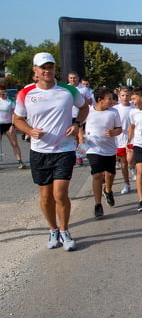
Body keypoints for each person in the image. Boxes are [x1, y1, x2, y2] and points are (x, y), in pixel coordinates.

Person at [13, 52, 88, 251]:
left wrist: (77, 124)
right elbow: (17, 119)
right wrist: (29, 130)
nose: (47, 71)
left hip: (64, 149)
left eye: (50, 67)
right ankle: (53, 229)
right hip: (39, 151)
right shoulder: (26, 93)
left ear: (55, 69)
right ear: (35, 71)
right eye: (43, 67)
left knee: (60, 194)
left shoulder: (68, 91)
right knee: (46, 197)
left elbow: (84, 108)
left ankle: (65, 230)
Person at [84, 87, 122, 218]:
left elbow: (119, 129)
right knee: (97, 175)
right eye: (109, 99)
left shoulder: (114, 112)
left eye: (112, 99)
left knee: (110, 174)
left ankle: (108, 190)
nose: (112, 101)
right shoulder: (88, 111)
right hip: (92, 148)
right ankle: (98, 204)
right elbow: (79, 125)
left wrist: (113, 133)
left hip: (109, 149)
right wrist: (79, 136)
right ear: (100, 100)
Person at [68, 72, 93, 166]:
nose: (72, 80)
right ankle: (71, 156)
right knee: (70, 137)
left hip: (80, 115)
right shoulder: (65, 88)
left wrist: (80, 101)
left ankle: (80, 157)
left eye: (74, 78)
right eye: (70, 78)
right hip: (68, 115)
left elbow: (90, 101)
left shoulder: (84, 89)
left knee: (81, 137)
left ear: (78, 78)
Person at [113, 86, 134, 194]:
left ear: (131, 96)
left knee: (131, 159)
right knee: (123, 163)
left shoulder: (134, 107)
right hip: (120, 138)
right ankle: (126, 183)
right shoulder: (115, 109)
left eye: (127, 95)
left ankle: (133, 167)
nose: (125, 98)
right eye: (123, 95)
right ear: (119, 96)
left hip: (133, 138)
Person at [0, 87, 27, 168]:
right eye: (0, 94)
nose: (1, 95)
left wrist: (13, 125)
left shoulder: (10, 101)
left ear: (6, 93)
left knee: (14, 143)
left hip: (8, 124)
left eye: (3, 94)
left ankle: (20, 161)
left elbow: (13, 113)